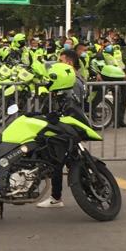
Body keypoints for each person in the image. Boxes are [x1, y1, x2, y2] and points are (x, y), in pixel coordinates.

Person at [37, 49, 87, 209]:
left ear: (69, 63)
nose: (57, 63)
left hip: (66, 128)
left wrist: (58, 115)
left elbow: (72, 104)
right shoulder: (70, 78)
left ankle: (57, 197)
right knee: (66, 162)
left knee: (58, 162)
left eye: (61, 60)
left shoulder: (73, 81)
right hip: (65, 126)